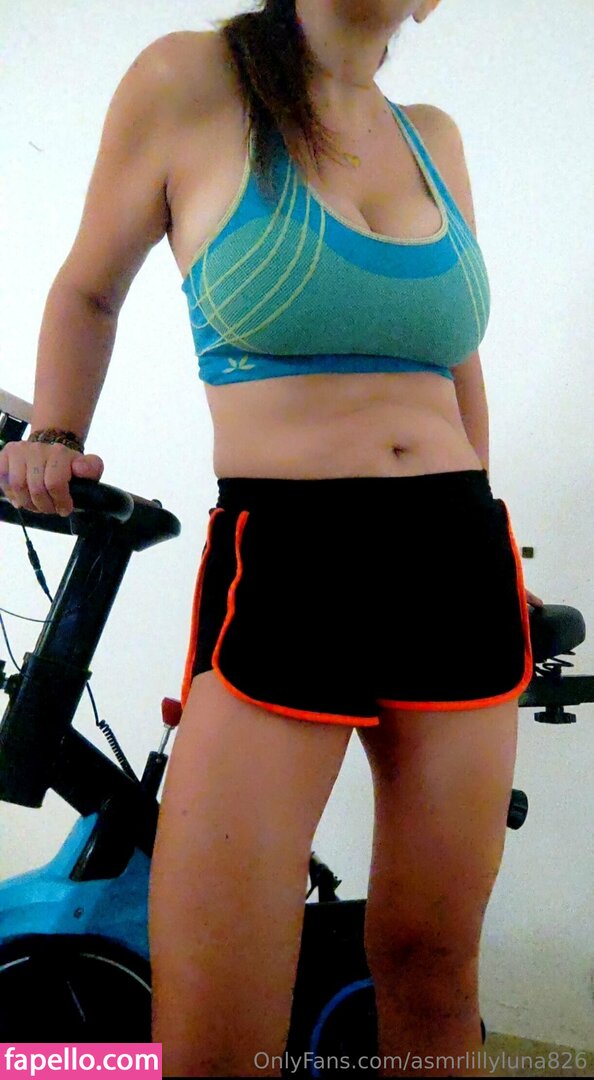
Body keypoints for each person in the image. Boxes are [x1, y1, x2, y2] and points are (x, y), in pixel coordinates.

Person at [0, 1, 543, 1075]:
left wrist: (487, 515)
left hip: (456, 560)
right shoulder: (190, 81)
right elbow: (89, 289)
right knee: (215, 1032)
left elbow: (455, 366)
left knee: (435, 970)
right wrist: (55, 434)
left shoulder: (434, 139)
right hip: (292, 559)